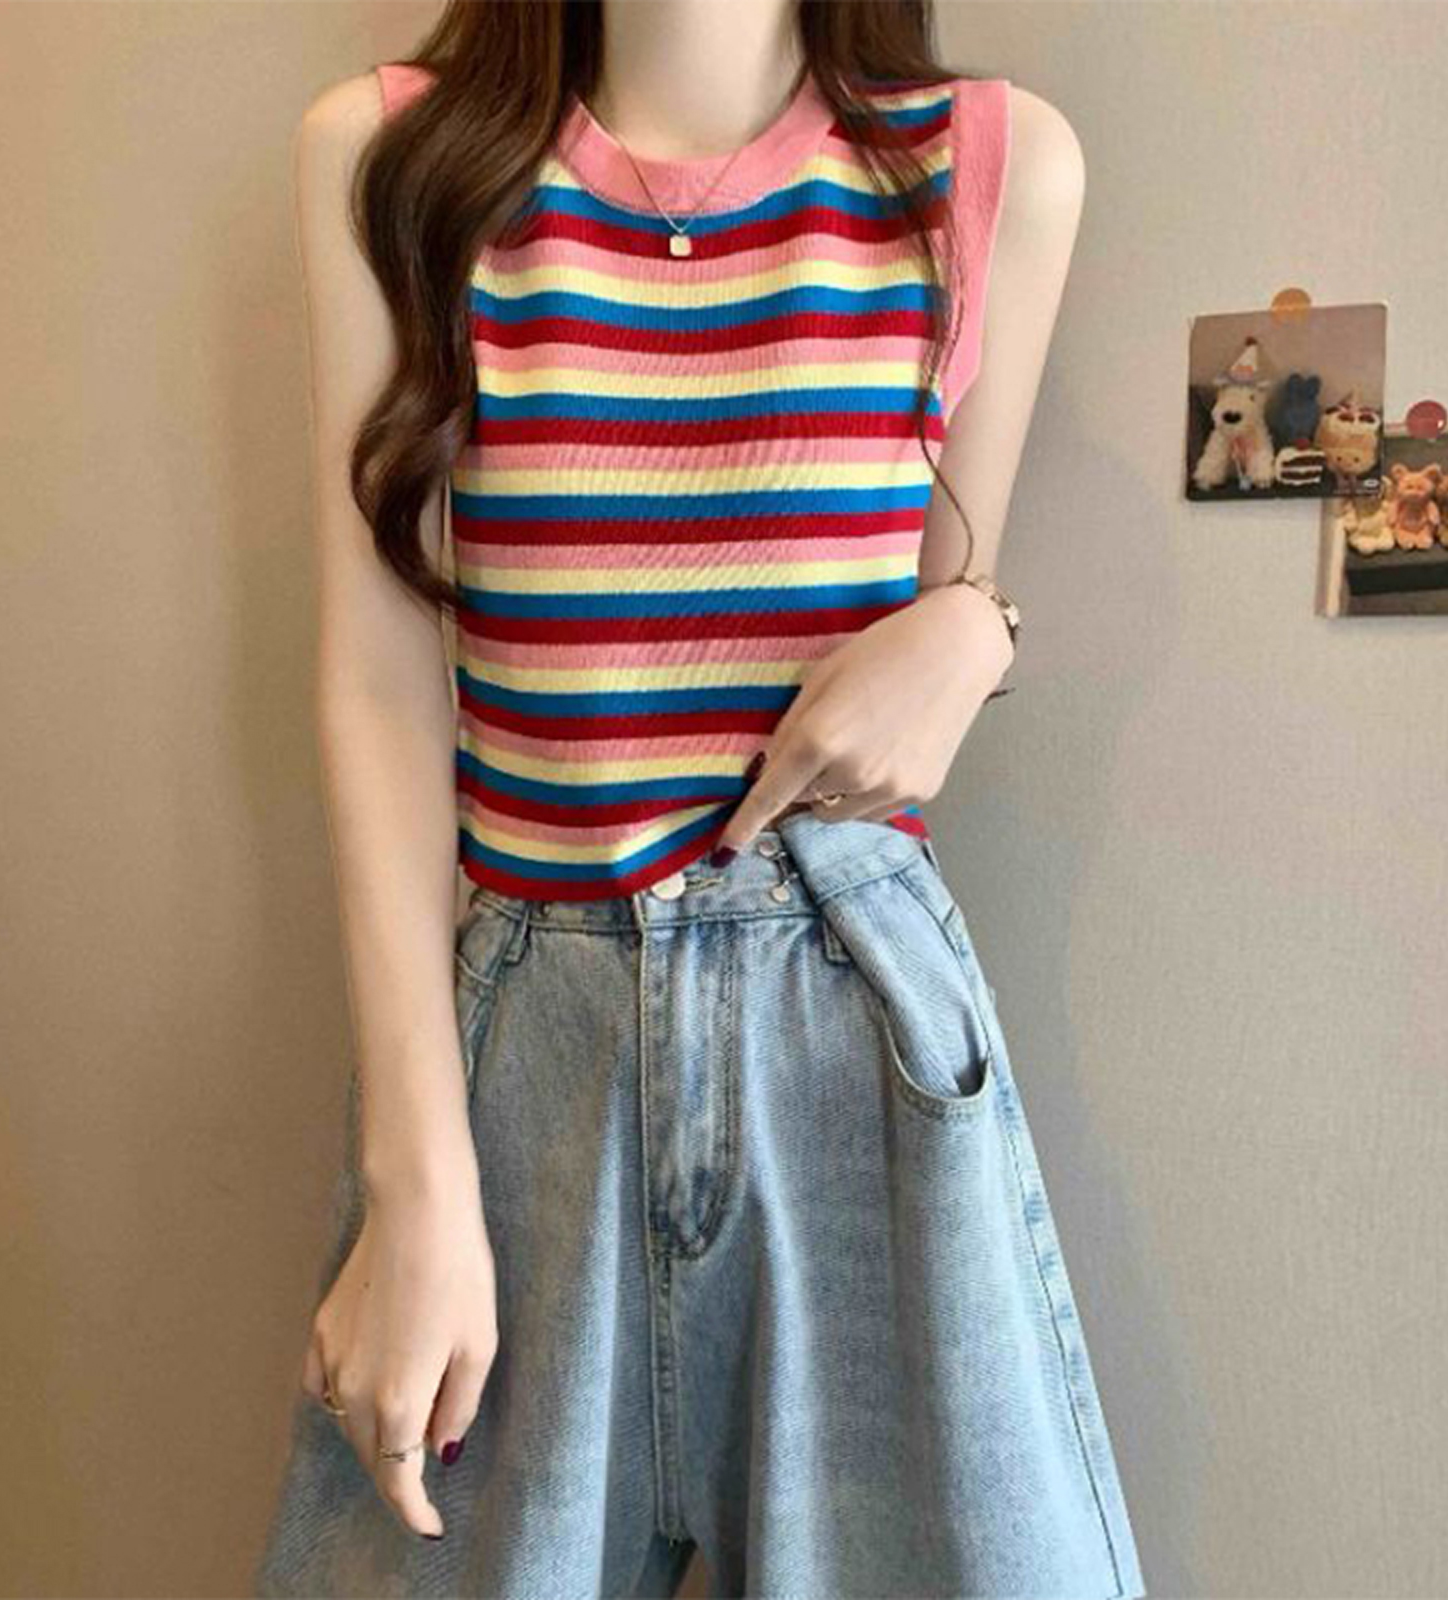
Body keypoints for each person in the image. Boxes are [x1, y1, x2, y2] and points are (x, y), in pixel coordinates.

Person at [258, 2, 1145, 1595]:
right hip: (535, 1043)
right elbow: (380, 682)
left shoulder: (991, 168)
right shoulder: (394, 160)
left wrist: (981, 630)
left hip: (851, 1009)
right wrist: (416, 1181)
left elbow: (943, 607)